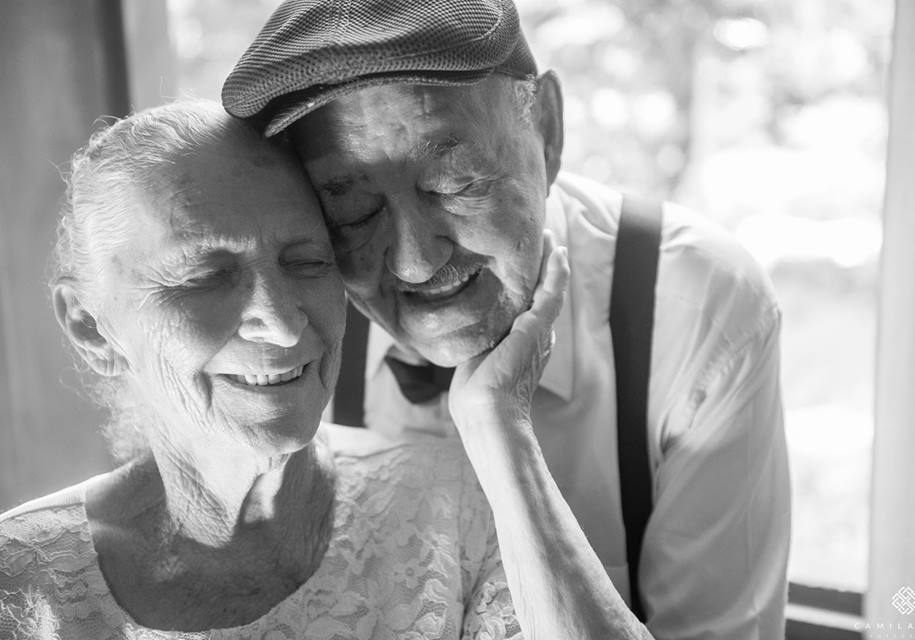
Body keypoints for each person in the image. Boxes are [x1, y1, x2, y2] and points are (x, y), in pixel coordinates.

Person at [222, 1, 791, 638]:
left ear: (546, 127)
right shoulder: (286, 321)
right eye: (352, 213)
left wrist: (501, 433)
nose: (414, 263)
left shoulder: (696, 310)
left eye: (454, 181)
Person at [0, 99, 589, 639]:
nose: (282, 323)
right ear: (89, 326)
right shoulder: (20, 578)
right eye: (204, 278)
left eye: (308, 261)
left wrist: (497, 421)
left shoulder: (458, 506)